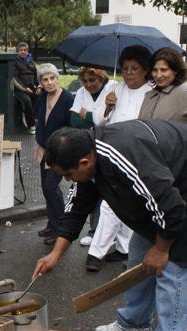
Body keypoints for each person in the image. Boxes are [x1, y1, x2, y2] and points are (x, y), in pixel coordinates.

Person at [33, 123, 187, 331]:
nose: (67, 180)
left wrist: (160, 250)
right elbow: (78, 207)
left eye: (68, 175)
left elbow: (172, 208)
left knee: (173, 274)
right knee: (139, 258)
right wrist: (55, 254)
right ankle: (135, 324)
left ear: (84, 163)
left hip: (179, 200)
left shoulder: (125, 156)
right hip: (163, 201)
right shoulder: (88, 159)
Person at [86, 45, 153, 272]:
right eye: (125, 68)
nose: (129, 73)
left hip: (138, 155)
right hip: (111, 153)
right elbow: (98, 121)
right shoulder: (113, 88)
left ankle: (101, 251)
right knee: (114, 201)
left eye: (135, 69)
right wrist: (107, 106)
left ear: (145, 70)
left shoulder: (152, 92)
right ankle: (116, 248)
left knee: (119, 203)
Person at [70, 67, 116, 247]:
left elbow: (108, 120)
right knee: (90, 187)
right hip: (88, 146)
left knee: (107, 191)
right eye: (86, 81)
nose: (89, 85)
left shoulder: (113, 88)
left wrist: (87, 114)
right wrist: (95, 117)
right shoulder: (81, 92)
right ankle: (94, 230)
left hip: (107, 144)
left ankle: (107, 234)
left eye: (93, 80)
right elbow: (74, 120)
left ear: (101, 78)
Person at [34, 63, 73, 245]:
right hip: (43, 149)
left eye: (52, 78)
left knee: (51, 187)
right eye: (45, 79)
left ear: (57, 78)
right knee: (45, 188)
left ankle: (61, 229)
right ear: (40, 82)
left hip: (59, 151)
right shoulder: (42, 97)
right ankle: (52, 223)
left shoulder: (67, 99)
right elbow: (39, 119)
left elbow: (70, 126)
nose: (49, 82)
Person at [139, 47, 187, 123]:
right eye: (154, 70)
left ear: (176, 70)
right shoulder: (149, 95)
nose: (158, 75)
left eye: (163, 70)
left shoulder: (184, 92)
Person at [13, 42, 39, 134]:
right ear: (17, 52)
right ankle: (31, 125)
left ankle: (41, 120)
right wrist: (24, 88)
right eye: (21, 50)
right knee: (27, 101)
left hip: (32, 87)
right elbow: (15, 78)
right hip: (20, 89)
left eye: (25, 50)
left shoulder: (31, 62)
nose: (23, 52)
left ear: (27, 51)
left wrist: (39, 86)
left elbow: (36, 76)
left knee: (43, 96)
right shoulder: (15, 62)